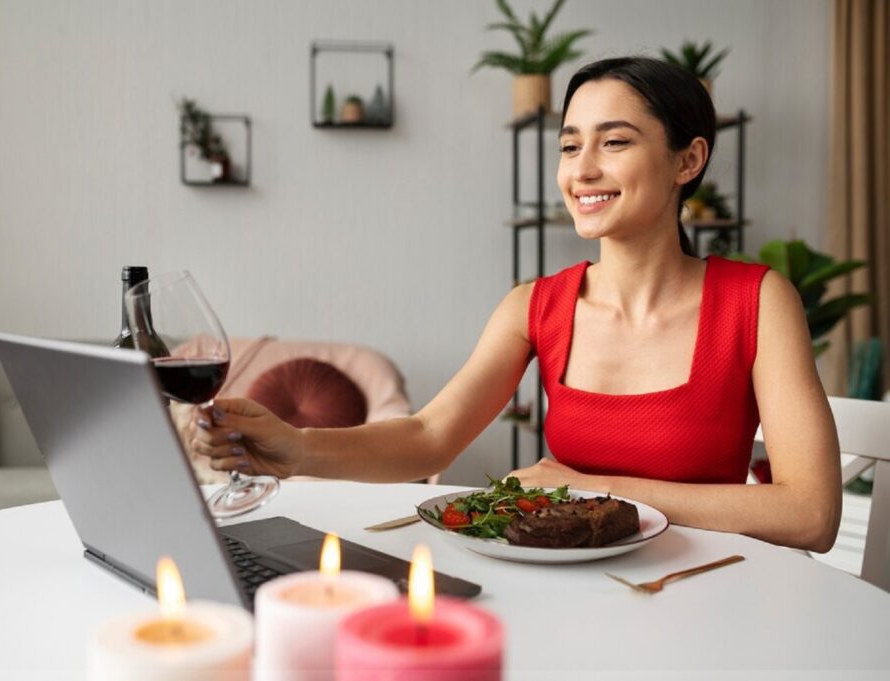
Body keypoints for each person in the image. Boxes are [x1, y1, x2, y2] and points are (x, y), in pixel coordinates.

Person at [188, 57, 842, 552]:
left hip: (711, 594)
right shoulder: (534, 305)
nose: (581, 170)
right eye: (569, 145)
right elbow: (426, 437)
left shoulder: (758, 301)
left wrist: (600, 488)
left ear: (687, 160)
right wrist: (296, 447)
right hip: (572, 591)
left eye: (613, 142)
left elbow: (811, 514)